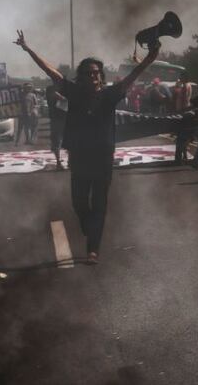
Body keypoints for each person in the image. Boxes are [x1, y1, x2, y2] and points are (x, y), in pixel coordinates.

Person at [15, 28, 159, 263]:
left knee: (100, 203)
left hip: (103, 157)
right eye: (89, 74)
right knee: (79, 203)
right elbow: (51, 72)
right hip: (80, 157)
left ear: (101, 76)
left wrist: (150, 58)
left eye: (96, 73)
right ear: (82, 77)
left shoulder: (111, 94)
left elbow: (134, 75)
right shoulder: (75, 92)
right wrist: (28, 49)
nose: (94, 77)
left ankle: (93, 249)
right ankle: (88, 227)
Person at [45, 83, 67, 169]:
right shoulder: (51, 90)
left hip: (62, 117)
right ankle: (58, 162)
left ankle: (64, 161)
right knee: (57, 141)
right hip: (57, 118)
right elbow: (61, 98)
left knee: (64, 140)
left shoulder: (56, 89)